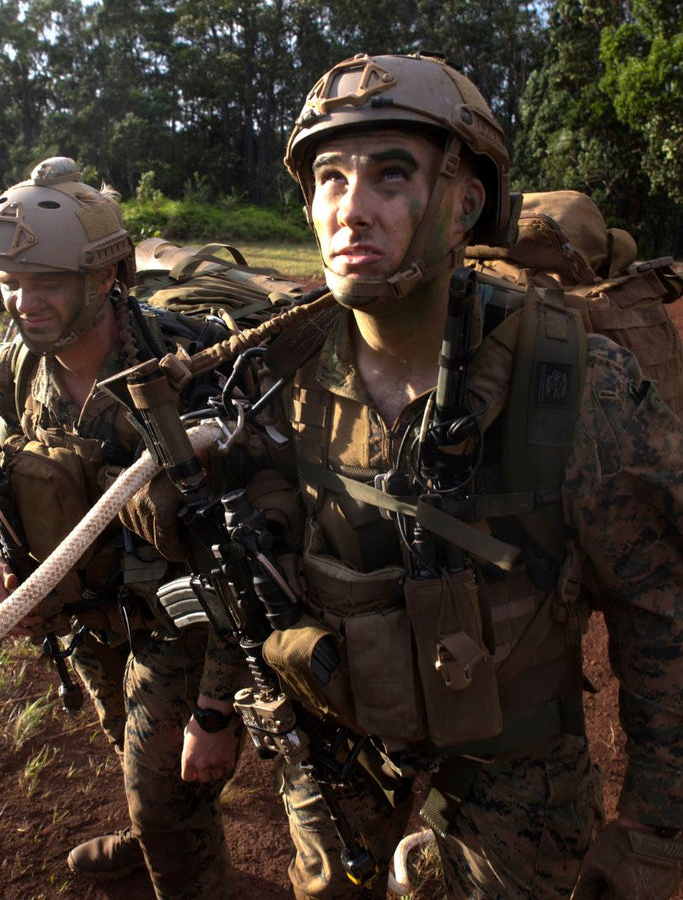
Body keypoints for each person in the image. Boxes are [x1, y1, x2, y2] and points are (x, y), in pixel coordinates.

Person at [245, 52, 682, 899]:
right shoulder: (278, 377)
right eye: (330, 178)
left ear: (465, 204)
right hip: (339, 739)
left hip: (516, 766)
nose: (352, 209)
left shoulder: (574, 384)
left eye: (392, 175)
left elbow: (662, 608)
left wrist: (658, 821)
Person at [0, 156, 244, 898]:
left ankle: (172, 849)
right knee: (130, 748)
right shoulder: (16, 367)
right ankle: (154, 827)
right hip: (86, 615)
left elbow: (241, 549)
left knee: (166, 787)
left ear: (110, 274)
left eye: (45, 281)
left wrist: (218, 707)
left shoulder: (183, 370)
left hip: (181, 624)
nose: (23, 302)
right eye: (10, 282)